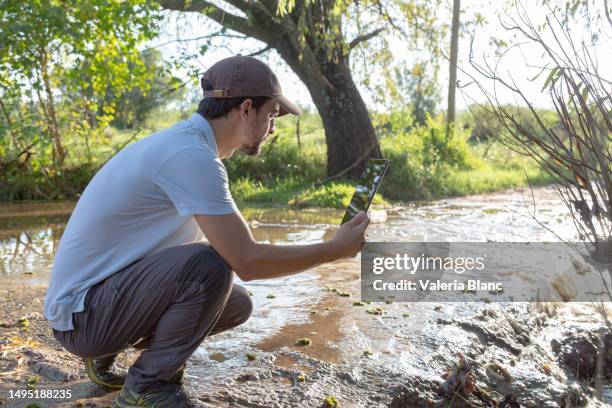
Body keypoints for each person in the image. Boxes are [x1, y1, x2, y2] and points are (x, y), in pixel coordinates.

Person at [44, 55, 370, 408]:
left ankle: (106, 354)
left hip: (90, 306)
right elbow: (247, 260)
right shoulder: (191, 156)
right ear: (246, 109)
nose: (273, 128)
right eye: (272, 115)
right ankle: (148, 387)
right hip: (83, 318)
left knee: (235, 303)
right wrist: (332, 250)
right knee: (210, 266)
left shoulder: (184, 146)